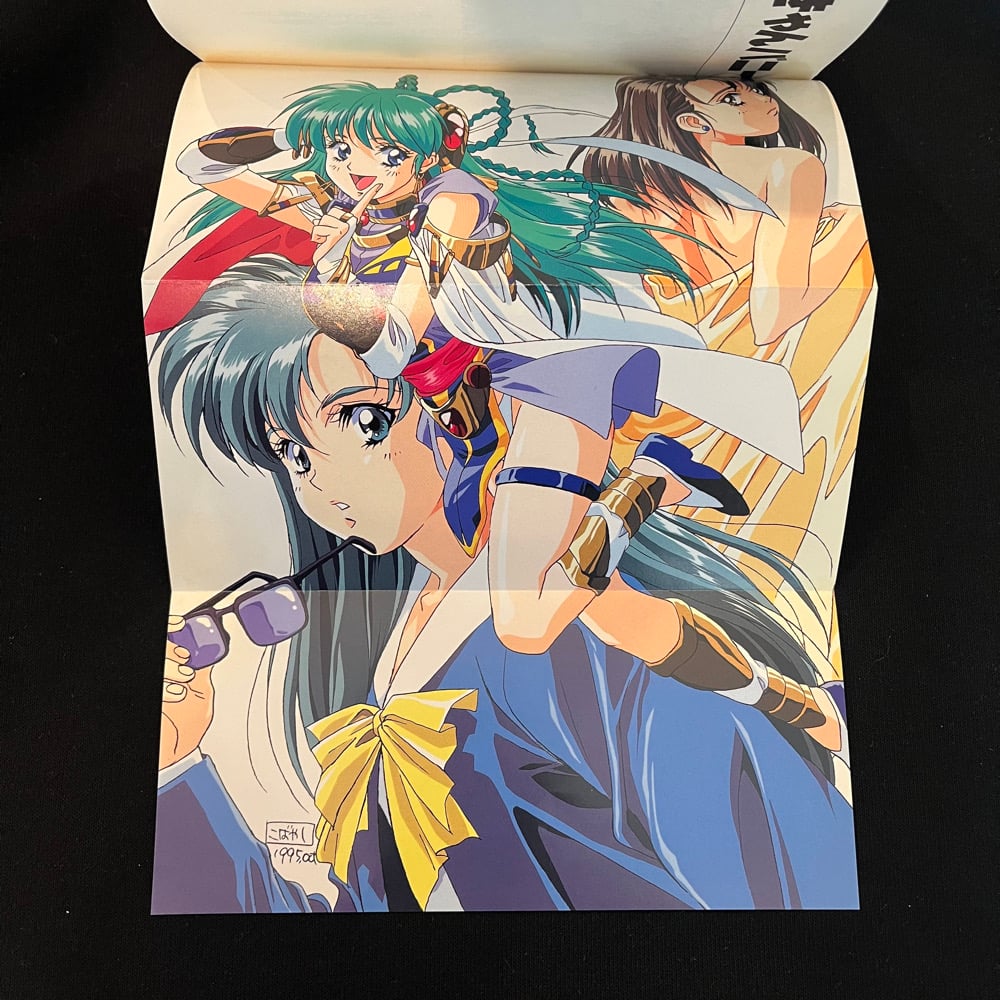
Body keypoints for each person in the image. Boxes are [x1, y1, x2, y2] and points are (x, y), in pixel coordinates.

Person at [151, 260, 855, 912]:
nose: (324, 484)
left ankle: (651, 482)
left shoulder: (569, 638)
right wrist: (183, 768)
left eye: (364, 421)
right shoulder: (400, 647)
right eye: (293, 453)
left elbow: (778, 873)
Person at [150, 75, 809, 662]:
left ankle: (654, 478)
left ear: (426, 158)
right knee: (589, 613)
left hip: (549, 377)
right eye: (344, 152)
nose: (360, 169)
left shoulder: (451, 204)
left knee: (525, 623)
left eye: (389, 154)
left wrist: (332, 287)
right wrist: (295, 136)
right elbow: (198, 164)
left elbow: (395, 339)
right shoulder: (349, 209)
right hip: (471, 405)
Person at [573, 76, 873, 604]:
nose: (762, 98)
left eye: (754, 89)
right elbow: (771, 315)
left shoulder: (636, 188)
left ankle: (644, 501)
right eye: (733, 99)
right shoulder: (788, 166)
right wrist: (847, 231)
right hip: (745, 364)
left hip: (670, 370)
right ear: (694, 122)